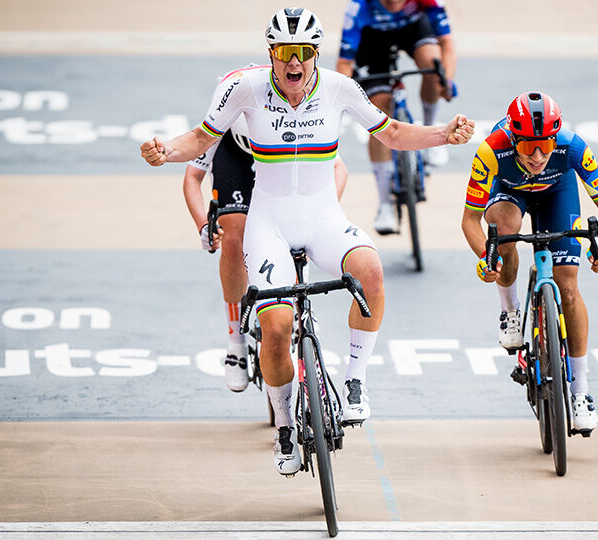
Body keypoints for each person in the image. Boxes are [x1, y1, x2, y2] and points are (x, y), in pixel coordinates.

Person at [142, 7, 474, 475]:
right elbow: (200, 139)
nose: (294, 63)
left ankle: (355, 383)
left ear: (315, 55)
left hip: (323, 220)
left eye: (303, 53)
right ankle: (282, 426)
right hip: (269, 226)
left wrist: (443, 134)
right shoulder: (244, 89)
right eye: (284, 54)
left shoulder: (339, 88)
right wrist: (164, 152)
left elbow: (393, 133)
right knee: (276, 329)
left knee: (372, 272)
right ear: (271, 55)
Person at [461, 92, 598, 434]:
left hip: (557, 193)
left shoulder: (573, 147)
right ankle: (511, 310)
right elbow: (470, 221)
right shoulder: (490, 151)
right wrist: (486, 258)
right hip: (509, 193)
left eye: (545, 145)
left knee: (569, 287)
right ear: (514, 139)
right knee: (504, 231)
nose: (537, 155)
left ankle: (580, 393)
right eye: (529, 146)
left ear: (555, 138)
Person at [182, 105, 349, 393]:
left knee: (297, 225)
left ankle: (300, 305)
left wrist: (323, 210)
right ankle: (236, 341)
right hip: (234, 167)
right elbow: (192, 179)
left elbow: (337, 168)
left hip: (279, 160)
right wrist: (203, 226)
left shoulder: (293, 121)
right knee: (233, 236)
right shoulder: (220, 125)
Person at [336, 0, 456, 234]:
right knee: (378, 108)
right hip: (372, 42)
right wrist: (346, 100)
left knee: (433, 66)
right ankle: (384, 203)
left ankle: (430, 131)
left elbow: (446, 42)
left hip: (412, 29)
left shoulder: (428, 2)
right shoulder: (358, 8)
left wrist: (446, 81)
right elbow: (344, 64)